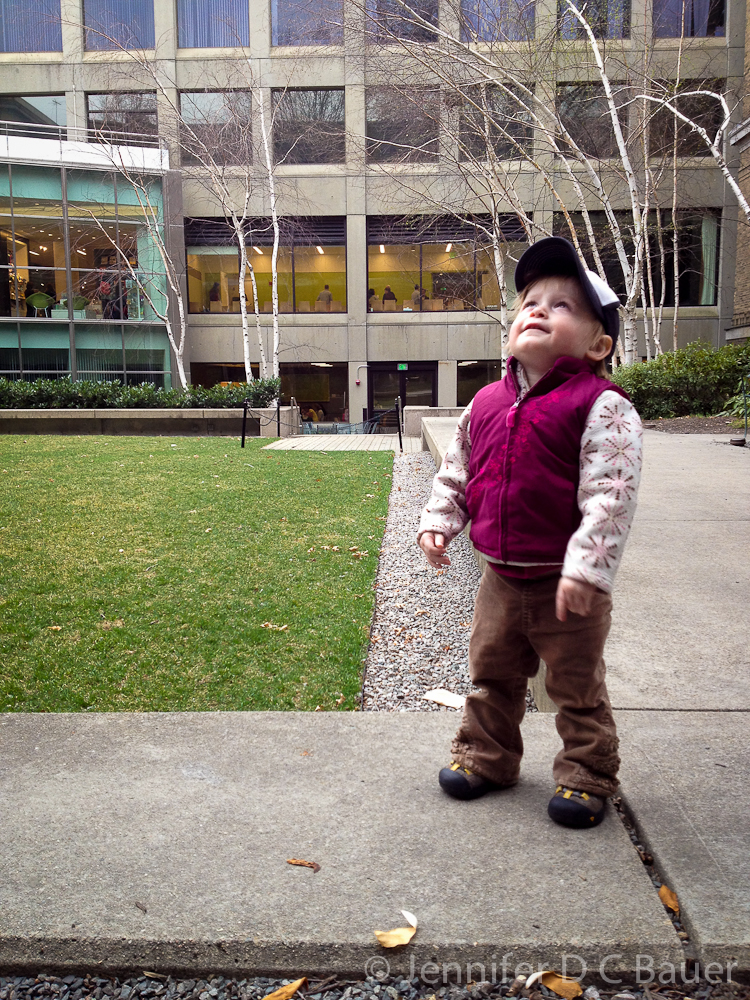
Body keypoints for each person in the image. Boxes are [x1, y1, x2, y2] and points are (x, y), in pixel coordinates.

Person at [417, 236, 643, 830]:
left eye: (562, 305)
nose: (538, 309)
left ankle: (586, 774)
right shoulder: (487, 402)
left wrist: (588, 570)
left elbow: (610, 498)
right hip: (499, 576)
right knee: (491, 673)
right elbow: (458, 470)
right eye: (529, 302)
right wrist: (440, 520)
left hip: (566, 586)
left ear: (599, 343)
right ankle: (486, 757)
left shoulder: (601, 406)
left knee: (575, 686)